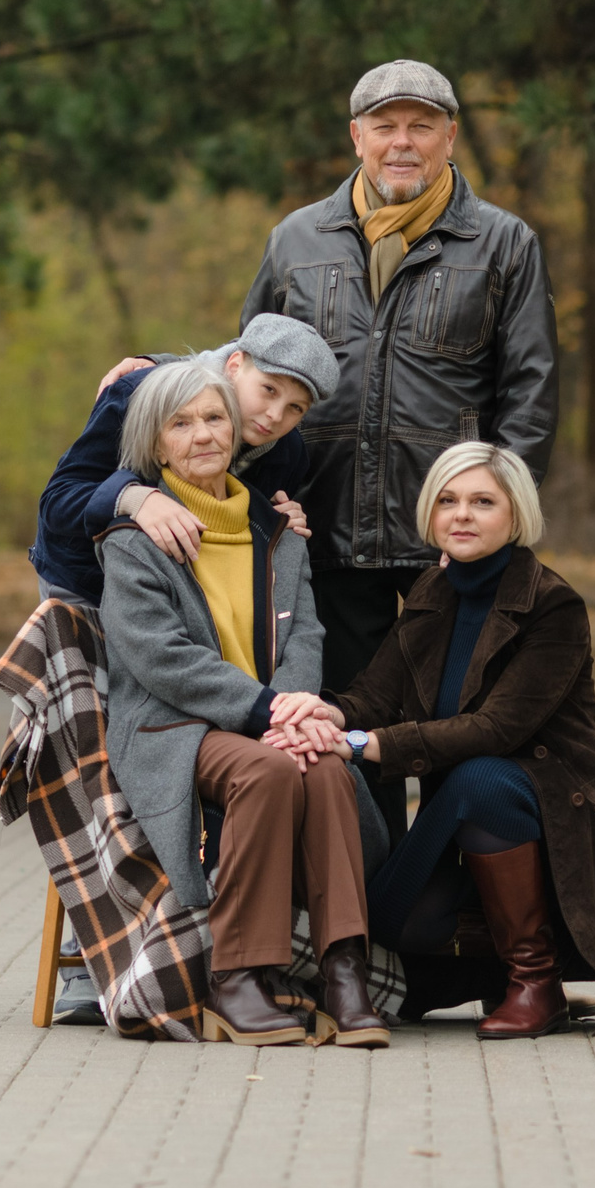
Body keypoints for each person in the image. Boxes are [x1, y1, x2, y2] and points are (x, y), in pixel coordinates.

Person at [242, 60, 558, 842]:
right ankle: (374, 934)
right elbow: (242, 377)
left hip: (446, 545)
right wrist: (153, 370)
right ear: (357, 136)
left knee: (458, 737)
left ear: (451, 136)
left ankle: (453, 934)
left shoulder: (503, 243)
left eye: (421, 125)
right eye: (385, 126)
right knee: (345, 741)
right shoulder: (296, 240)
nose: (402, 142)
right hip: (325, 537)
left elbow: (532, 391)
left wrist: (495, 526)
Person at [267, 443, 595, 1038]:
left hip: (567, 811)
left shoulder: (552, 606)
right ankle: (489, 979)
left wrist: (361, 744)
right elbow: (374, 695)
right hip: (467, 814)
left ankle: (536, 982)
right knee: (392, 923)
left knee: (480, 777)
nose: (462, 515)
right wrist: (321, 713)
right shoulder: (434, 591)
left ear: (515, 515)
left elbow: (497, 729)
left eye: (483, 502)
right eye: (449, 501)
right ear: (430, 513)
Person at [96, 358, 389, 1048]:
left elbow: (306, 633)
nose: (203, 434)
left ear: (236, 429)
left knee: (320, 764)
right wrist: (271, 713)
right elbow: (164, 660)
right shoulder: (136, 542)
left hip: (269, 720)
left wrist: (294, 709)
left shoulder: (279, 530)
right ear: (156, 442)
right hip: (172, 727)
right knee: (274, 767)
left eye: (215, 417)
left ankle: (343, 970)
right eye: (182, 422)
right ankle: (239, 976)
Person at [31, 313, 339, 607]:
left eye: (295, 408)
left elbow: (240, 542)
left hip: (190, 598)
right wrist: (132, 497)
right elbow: (57, 501)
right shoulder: (139, 394)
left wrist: (274, 524)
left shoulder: (288, 453)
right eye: (268, 390)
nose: (275, 416)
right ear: (234, 366)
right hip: (87, 583)